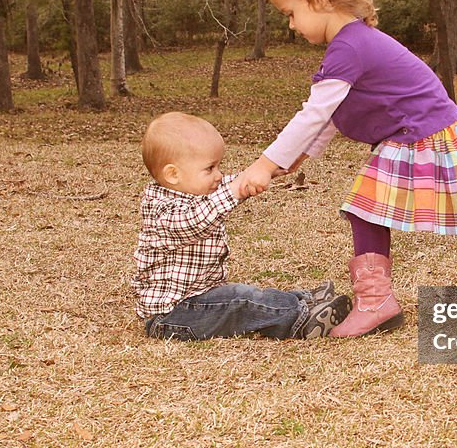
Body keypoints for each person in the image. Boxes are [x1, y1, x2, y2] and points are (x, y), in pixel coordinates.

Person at [239, 0, 457, 338]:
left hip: (422, 133)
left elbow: (313, 115)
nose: (291, 25)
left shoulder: (349, 46)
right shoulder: (352, 42)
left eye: (290, 12)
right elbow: (329, 116)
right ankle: (377, 299)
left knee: (364, 208)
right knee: (365, 209)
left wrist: (263, 165)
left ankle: (377, 302)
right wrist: (297, 159)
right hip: (420, 130)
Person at [133, 112, 351, 341]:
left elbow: (232, 184)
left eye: (218, 166)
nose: (218, 175)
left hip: (199, 298)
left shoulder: (193, 191)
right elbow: (195, 221)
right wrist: (236, 190)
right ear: (173, 174)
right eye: (210, 169)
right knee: (242, 301)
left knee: (245, 296)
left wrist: (262, 173)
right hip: (174, 316)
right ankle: (301, 319)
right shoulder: (162, 209)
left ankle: (300, 299)